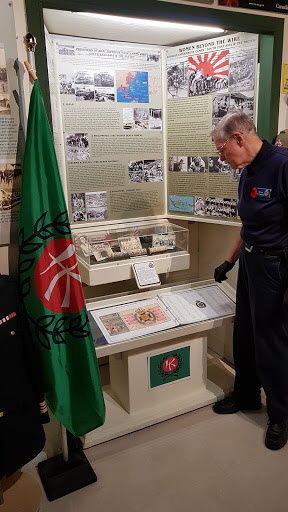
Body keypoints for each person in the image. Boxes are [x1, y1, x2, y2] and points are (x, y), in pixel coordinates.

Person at [212, 111, 288, 450]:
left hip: (276, 267)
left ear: (239, 138)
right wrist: (228, 262)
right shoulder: (245, 170)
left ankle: (280, 416)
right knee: (243, 331)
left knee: (271, 343)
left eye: (221, 148)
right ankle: (246, 396)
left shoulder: (282, 164)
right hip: (251, 261)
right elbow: (249, 225)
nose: (221, 157)